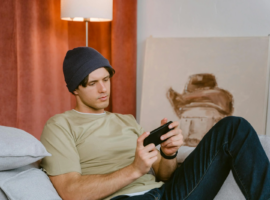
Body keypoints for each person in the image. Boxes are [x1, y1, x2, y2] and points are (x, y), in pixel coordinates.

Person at [40, 47, 270, 200]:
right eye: (93, 84)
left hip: (168, 193)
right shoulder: (60, 125)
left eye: (106, 80)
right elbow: (70, 191)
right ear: (74, 89)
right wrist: (133, 170)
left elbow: (163, 174)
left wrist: (169, 154)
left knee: (234, 127)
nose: (103, 89)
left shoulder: (126, 120)